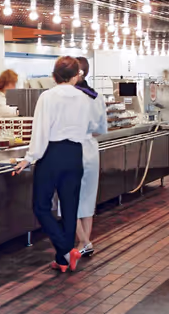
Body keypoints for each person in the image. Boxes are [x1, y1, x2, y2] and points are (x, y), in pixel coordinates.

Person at [14, 56, 94, 272]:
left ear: (54, 75)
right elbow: (88, 128)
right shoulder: (84, 98)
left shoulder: (47, 97)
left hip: (52, 154)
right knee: (70, 208)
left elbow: (40, 131)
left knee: (41, 206)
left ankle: (66, 250)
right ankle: (63, 259)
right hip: (75, 154)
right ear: (76, 76)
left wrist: (29, 157)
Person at [74, 57, 107, 256]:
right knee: (87, 199)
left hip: (72, 149)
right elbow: (101, 129)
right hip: (92, 150)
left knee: (68, 199)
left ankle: (84, 241)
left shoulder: (69, 96)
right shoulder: (97, 96)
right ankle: (85, 244)